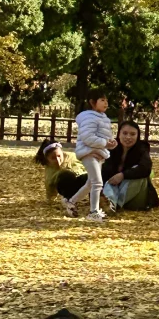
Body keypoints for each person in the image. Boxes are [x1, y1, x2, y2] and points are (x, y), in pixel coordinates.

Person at [68, 90, 116, 221]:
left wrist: (111, 143)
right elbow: (88, 137)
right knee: (97, 182)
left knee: (90, 183)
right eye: (102, 100)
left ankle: (71, 202)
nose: (106, 103)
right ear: (92, 102)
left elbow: (104, 136)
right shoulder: (89, 117)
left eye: (106, 100)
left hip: (98, 153)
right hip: (89, 153)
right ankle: (93, 212)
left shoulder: (103, 118)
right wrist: (104, 143)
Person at [102, 121, 159, 211]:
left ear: (137, 136)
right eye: (125, 133)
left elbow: (145, 169)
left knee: (138, 172)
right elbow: (103, 173)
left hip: (135, 196)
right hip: (113, 189)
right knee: (108, 178)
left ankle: (115, 204)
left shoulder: (142, 148)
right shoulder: (111, 147)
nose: (128, 137)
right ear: (119, 134)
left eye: (132, 134)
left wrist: (122, 175)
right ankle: (110, 203)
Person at [34, 140, 88, 210]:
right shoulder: (50, 170)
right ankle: (68, 199)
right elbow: (49, 184)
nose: (58, 160)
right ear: (47, 159)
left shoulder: (73, 157)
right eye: (53, 158)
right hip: (67, 186)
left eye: (59, 156)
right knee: (65, 174)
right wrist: (50, 200)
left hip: (84, 182)